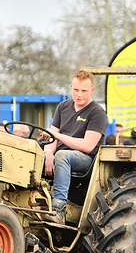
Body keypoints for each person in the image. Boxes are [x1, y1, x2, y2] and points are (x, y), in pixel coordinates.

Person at [41, 69, 108, 224]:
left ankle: (58, 209)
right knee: (34, 149)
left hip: (85, 160)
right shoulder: (63, 107)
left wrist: (58, 139)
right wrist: (48, 153)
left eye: (84, 91)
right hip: (59, 154)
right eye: (76, 90)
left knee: (63, 155)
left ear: (92, 91)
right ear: (71, 87)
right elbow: (52, 136)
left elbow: (88, 146)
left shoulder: (97, 112)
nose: (79, 94)